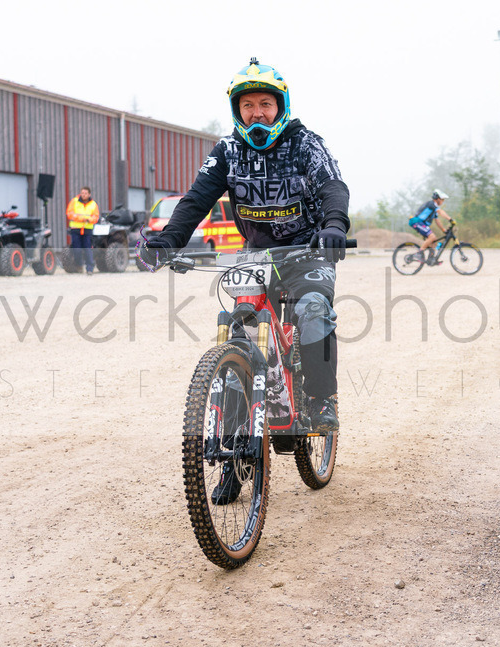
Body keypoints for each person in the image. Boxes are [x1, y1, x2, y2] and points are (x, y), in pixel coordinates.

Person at [139, 58, 350, 503]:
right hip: (257, 255)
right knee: (238, 329)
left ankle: (320, 400)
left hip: (307, 251)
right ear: (238, 109)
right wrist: (169, 239)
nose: (258, 112)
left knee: (313, 310)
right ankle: (235, 455)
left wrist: (334, 224)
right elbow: (197, 198)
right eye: (249, 104)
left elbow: (333, 186)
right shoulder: (227, 150)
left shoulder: (304, 143)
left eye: (266, 104)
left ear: (281, 106)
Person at [408, 190, 454, 260]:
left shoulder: (434, 209)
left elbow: (437, 221)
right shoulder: (431, 204)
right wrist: (450, 219)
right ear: (438, 199)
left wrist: (444, 230)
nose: (443, 201)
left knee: (434, 240)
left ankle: (431, 259)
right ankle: (419, 253)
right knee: (432, 237)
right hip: (416, 221)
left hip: (421, 223)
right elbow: (440, 212)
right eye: (442, 200)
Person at [66, 186, 99, 275]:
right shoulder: (74, 201)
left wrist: (89, 220)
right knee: (77, 250)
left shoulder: (93, 204)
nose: (83, 195)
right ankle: (79, 265)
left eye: (85, 193)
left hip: (87, 230)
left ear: (89, 194)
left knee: (88, 249)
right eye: (82, 193)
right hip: (76, 229)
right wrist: (81, 218)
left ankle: (89, 269)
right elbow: (69, 213)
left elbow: (96, 217)